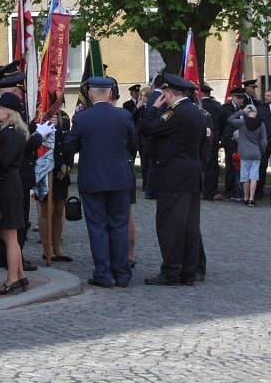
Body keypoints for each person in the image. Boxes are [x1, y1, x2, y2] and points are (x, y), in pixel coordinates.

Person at [63, 77, 136, 288]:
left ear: (91, 94)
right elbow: (133, 145)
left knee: (98, 227)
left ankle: (103, 273)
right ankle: (122, 274)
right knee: (119, 225)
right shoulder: (124, 115)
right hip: (120, 178)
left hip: (93, 179)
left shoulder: (83, 118)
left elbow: (70, 146)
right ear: (110, 93)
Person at [141, 74, 208, 286]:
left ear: (169, 93)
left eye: (163, 95)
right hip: (192, 174)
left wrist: (152, 109)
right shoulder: (198, 111)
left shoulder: (175, 113)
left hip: (173, 177)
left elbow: (147, 128)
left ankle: (171, 272)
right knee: (189, 226)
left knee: (170, 225)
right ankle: (188, 272)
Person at [0, 93, 31, 295]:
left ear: (9, 112)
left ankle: (12, 279)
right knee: (7, 234)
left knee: (10, 235)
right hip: (8, 185)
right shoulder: (9, 131)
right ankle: (21, 275)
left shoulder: (12, 133)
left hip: (8, 186)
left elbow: (3, 162)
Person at [38, 109, 74, 263]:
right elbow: (42, 148)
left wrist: (67, 164)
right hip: (47, 171)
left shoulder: (64, 118)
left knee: (59, 210)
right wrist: (59, 165)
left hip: (61, 173)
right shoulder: (40, 118)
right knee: (47, 211)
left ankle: (58, 247)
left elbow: (69, 143)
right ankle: (48, 249)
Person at [228, 105, 268, 206]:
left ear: (247, 112)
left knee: (245, 177)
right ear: (256, 112)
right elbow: (264, 142)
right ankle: (251, 199)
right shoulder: (261, 124)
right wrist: (261, 151)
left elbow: (230, 119)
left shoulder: (242, 123)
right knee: (254, 176)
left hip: (244, 153)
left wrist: (241, 112)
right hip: (256, 153)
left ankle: (245, 198)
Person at [219, 88, 247, 199]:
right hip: (230, 140)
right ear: (233, 97)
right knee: (231, 166)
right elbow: (220, 124)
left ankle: (238, 190)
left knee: (239, 166)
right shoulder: (226, 108)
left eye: (242, 98)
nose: (241, 100)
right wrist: (223, 137)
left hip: (241, 141)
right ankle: (229, 190)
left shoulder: (243, 109)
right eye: (239, 97)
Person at [200, 84, 223, 200]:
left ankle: (199, 189)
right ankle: (210, 191)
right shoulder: (217, 105)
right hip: (213, 139)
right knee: (212, 166)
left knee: (199, 165)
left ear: (201, 93)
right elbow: (222, 122)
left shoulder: (198, 105)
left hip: (199, 139)